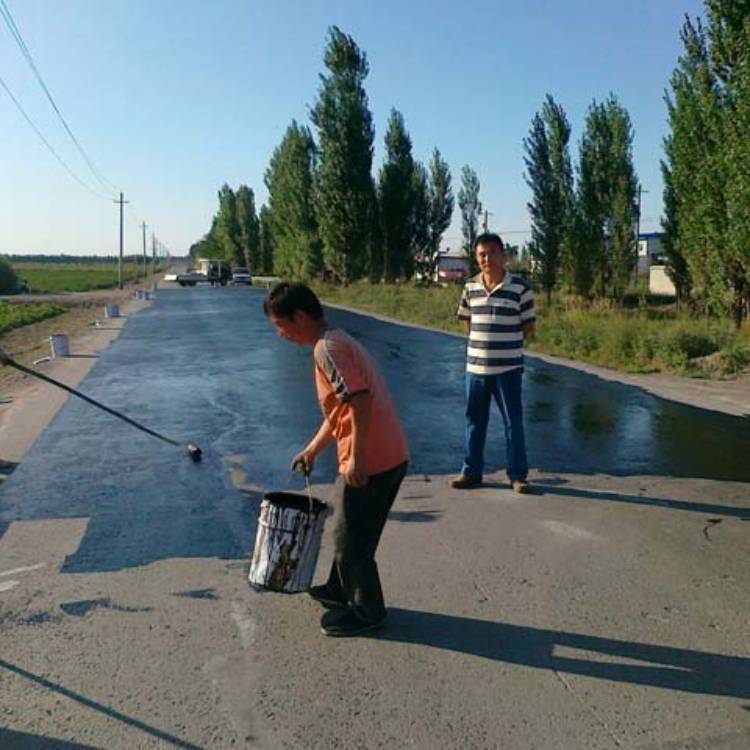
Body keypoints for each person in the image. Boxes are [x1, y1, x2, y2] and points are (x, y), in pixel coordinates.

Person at [263, 282, 409, 637]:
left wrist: (356, 458)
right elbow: (339, 410)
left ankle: (367, 611)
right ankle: (338, 588)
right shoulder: (334, 340)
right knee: (349, 530)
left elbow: (359, 402)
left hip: (373, 460)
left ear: (298, 316)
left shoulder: (327, 349)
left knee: (352, 540)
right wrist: (313, 450)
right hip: (382, 455)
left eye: (280, 326)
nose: (279, 334)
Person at [451, 233, 535, 493]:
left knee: (513, 422)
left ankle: (517, 475)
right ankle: (471, 472)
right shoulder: (470, 287)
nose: (487, 259)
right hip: (476, 370)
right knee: (474, 421)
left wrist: (503, 344)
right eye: (481, 255)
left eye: (492, 253)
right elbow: (466, 320)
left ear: (503, 255)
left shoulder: (520, 288)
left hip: (508, 370)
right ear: (477, 259)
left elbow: (528, 326)